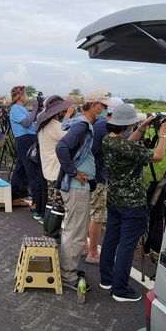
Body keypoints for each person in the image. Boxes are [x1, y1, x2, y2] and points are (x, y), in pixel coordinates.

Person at [99, 104, 166, 302]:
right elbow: (159, 156)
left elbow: (128, 145)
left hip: (114, 201)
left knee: (111, 240)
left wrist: (141, 128)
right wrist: (163, 134)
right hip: (132, 206)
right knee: (126, 246)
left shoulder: (108, 140)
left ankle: (106, 279)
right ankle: (120, 290)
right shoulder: (126, 147)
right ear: (127, 125)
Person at [55, 91, 109, 290]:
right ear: (94, 105)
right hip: (77, 187)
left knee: (73, 229)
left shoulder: (77, 122)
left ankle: (68, 268)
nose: (104, 110)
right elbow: (61, 147)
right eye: (102, 106)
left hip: (77, 187)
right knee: (76, 232)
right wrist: (74, 172)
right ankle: (68, 274)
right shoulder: (82, 126)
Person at [85, 95, 123, 264]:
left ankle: (85, 246)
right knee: (98, 216)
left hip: (92, 174)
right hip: (99, 176)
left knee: (89, 212)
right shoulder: (107, 127)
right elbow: (120, 150)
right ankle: (93, 253)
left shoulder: (99, 123)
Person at [36, 95, 75, 239]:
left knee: (50, 202)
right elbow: (71, 138)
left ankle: (46, 233)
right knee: (58, 204)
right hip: (56, 169)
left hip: (48, 168)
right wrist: (70, 116)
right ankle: (52, 235)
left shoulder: (43, 124)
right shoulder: (55, 126)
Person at [9, 86, 46, 221]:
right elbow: (26, 123)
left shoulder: (20, 108)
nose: (26, 96)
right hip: (25, 139)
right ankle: (36, 202)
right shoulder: (15, 108)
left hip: (25, 139)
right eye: (24, 94)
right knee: (33, 170)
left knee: (19, 169)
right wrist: (35, 110)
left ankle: (14, 196)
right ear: (19, 95)